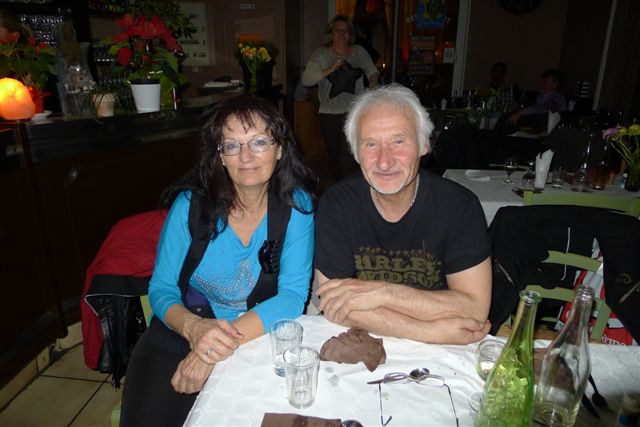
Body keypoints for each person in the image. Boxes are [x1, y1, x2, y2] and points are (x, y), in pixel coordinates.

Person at [120, 96, 317, 426]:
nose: (246, 156)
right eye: (232, 145)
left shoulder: (297, 206)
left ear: (280, 149)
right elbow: (162, 288)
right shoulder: (190, 206)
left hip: (258, 332)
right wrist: (196, 330)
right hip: (182, 328)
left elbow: (292, 296)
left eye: (259, 142)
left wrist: (212, 350)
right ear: (220, 156)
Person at [313, 84, 492, 345]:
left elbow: (474, 310)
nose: (384, 162)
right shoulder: (337, 205)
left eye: (398, 141)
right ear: (355, 153)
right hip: (370, 344)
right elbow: (333, 304)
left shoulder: (459, 207)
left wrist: (383, 293)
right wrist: (430, 331)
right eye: (371, 144)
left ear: (423, 145)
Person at [302, 15, 380, 182]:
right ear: (331, 33)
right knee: (335, 158)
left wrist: (372, 85)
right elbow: (307, 80)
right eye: (338, 30)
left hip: (354, 112)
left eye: (345, 31)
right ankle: (340, 189)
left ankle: (349, 191)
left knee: (348, 158)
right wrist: (330, 69)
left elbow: (372, 71)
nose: (341, 34)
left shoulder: (358, 52)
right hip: (328, 114)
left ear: (350, 34)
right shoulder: (321, 54)